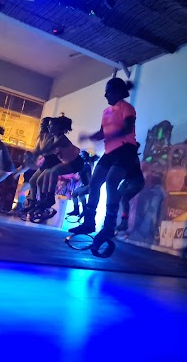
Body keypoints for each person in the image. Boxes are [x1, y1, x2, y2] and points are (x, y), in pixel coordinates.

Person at [74, 77, 139, 249]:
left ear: (117, 92)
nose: (105, 95)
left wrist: (110, 135)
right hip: (110, 152)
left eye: (108, 92)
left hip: (125, 150)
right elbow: (102, 132)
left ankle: (109, 227)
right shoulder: (106, 112)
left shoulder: (127, 107)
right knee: (94, 183)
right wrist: (88, 137)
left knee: (111, 183)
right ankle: (89, 222)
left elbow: (127, 128)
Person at [34, 116, 83, 213]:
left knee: (53, 171)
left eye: (51, 125)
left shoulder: (61, 139)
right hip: (68, 162)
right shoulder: (53, 138)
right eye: (48, 125)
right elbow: (44, 151)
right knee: (40, 180)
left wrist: (37, 152)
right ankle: (43, 200)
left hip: (76, 162)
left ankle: (50, 197)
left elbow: (46, 150)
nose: (48, 127)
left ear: (58, 127)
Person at [115, 142, 145, 233]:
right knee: (116, 197)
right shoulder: (130, 157)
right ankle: (113, 220)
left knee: (124, 198)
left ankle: (124, 222)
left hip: (136, 181)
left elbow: (124, 172)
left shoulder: (132, 158)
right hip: (129, 181)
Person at [67, 150, 94, 218]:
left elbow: (89, 178)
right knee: (74, 194)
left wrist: (88, 187)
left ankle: (85, 210)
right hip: (85, 185)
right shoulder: (81, 166)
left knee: (81, 193)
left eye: (81, 156)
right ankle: (76, 210)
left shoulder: (86, 166)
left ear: (84, 157)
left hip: (89, 185)